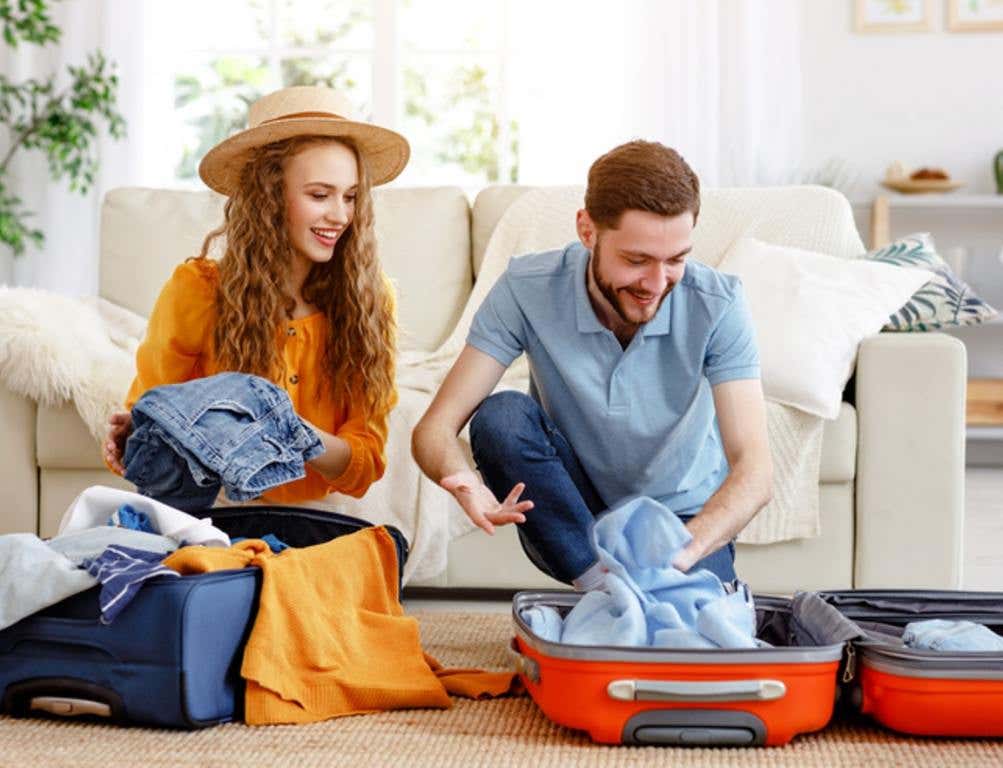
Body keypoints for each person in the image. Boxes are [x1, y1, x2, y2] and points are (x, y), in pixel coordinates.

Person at [411, 140, 773, 589]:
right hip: (578, 510)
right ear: (587, 231)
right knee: (501, 417)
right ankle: (602, 585)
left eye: (676, 260)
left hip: (679, 522)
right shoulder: (527, 288)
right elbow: (434, 429)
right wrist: (467, 484)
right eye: (636, 260)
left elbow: (755, 472)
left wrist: (677, 556)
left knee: (689, 644)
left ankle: (629, 595)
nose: (656, 284)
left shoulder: (718, 304)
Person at [104, 85, 409, 505]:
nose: (340, 215)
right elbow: (150, 414)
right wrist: (132, 435)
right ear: (269, 195)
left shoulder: (370, 302)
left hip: (319, 519)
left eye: (351, 197)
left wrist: (285, 427)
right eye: (320, 195)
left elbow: (364, 463)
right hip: (220, 515)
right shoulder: (198, 291)